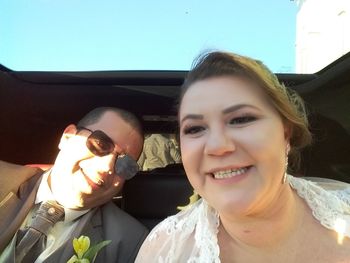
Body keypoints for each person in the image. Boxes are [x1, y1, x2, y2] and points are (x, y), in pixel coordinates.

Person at [136, 51, 350, 262]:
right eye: (194, 129)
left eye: (241, 119)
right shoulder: (162, 249)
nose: (217, 146)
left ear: (285, 133)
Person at [0, 107, 148, 263]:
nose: (107, 167)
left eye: (125, 164)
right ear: (68, 137)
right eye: (100, 144)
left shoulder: (131, 243)